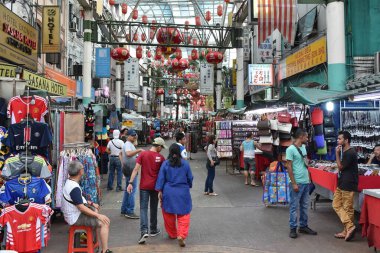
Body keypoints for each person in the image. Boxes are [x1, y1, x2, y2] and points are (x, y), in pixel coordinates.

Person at [61, 161, 112, 253]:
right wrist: (98, 216)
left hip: (72, 214)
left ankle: (86, 241)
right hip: (75, 217)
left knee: (95, 211)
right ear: (80, 171)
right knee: (105, 222)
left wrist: (92, 204)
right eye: (83, 169)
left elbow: (78, 200)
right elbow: (81, 207)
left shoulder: (69, 182)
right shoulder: (74, 187)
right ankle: (105, 250)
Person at [127, 137, 167, 244]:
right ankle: (153, 229)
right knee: (154, 207)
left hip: (144, 186)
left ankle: (144, 231)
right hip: (155, 187)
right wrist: (162, 189)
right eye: (161, 147)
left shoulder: (143, 155)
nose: (162, 149)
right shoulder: (161, 158)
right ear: (158, 146)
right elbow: (163, 174)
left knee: (143, 208)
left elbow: (136, 169)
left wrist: (130, 183)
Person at [155, 144, 193, 247]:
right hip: (182, 192)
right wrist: (188, 185)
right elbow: (190, 178)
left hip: (168, 192)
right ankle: (181, 235)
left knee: (168, 214)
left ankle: (172, 234)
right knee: (184, 214)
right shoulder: (185, 164)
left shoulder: (165, 164)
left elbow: (161, 178)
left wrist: (159, 190)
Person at [286, 128, 317, 239]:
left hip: (305, 181)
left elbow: (305, 164)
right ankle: (293, 228)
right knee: (294, 206)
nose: (308, 139)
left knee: (304, 206)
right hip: (297, 182)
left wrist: (309, 178)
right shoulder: (290, 149)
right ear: (301, 137)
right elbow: (288, 166)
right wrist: (293, 183)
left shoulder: (303, 148)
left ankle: (303, 226)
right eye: (306, 137)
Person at [333, 131, 358, 241]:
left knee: (348, 208)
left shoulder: (350, 152)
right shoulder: (346, 151)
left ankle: (348, 229)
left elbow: (340, 167)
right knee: (336, 204)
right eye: (338, 139)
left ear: (346, 140)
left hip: (349, 183)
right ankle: (348, 227)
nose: (338, 141)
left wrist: (337, 154)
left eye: (340, 139)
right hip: (343, 182)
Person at [120, 129, 144, 219]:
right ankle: (130, 211)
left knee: (128, 190)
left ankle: (124, 209)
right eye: (133, 135)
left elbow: (122, 154)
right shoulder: (127, 144)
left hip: (128, 169)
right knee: (132, 190)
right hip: (130, 170)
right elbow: (128, 153)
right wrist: (139, 150)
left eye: (135, 135)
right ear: (128, 136)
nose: (134, 137)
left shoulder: (130, 144)